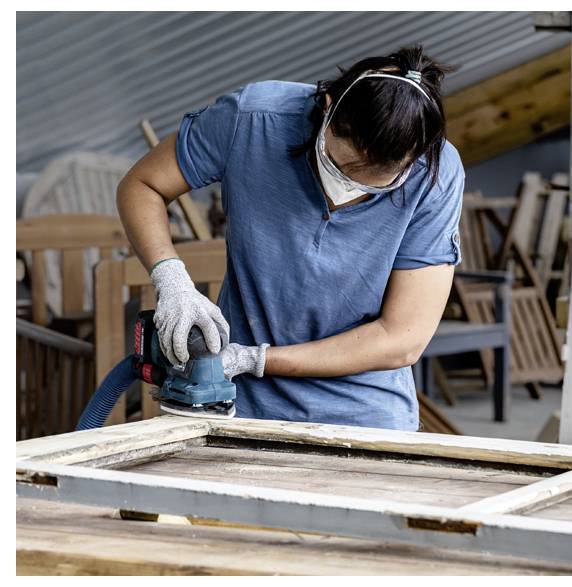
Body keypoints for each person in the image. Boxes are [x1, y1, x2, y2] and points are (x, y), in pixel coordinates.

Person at [116, 45, 464, 431]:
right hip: (237, 403)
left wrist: (255, 359)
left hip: (365, 414)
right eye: (343, 168)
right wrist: (172, 279)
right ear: (328, 106)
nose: (346, 190)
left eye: (376, 184)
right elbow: (143, 184)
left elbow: (402, 338)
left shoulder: (435, 173)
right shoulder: (252, 119)